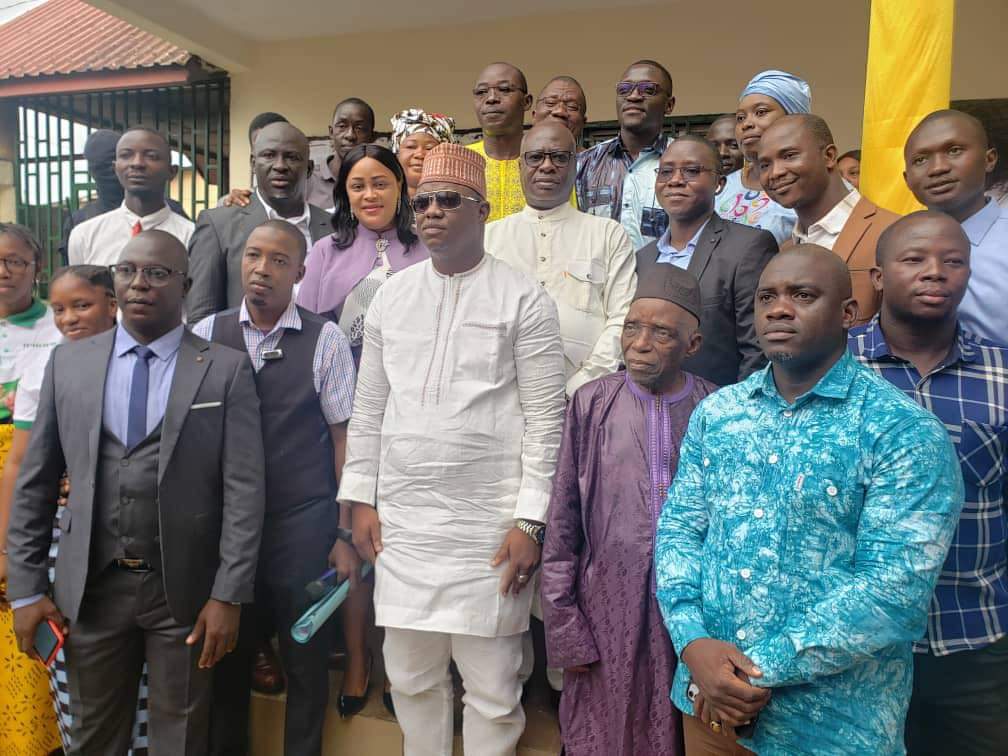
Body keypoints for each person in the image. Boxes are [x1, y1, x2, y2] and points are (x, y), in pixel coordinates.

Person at [655, 245, 964, 755]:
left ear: (848, 313)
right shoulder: (719, 414)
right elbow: (680, 530)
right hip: (708, 706)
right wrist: (693, 643)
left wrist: (754, 670)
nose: (779, 309)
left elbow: (894, 591)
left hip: (831, 725)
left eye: (802, 295)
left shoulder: (901, 431)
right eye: (766, 297)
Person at [340, 143, 566, 756]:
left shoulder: (525, 298)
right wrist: (361, 497)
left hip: (487, 528)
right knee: (411, 677)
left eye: (449, 200)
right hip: (406, 526)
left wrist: (530, 519)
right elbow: (369, 407)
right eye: (423, 202)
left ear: (483, 210)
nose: (432, 212)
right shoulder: (391, 296)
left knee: (492, 686)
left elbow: (548, 419)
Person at [6, 230, 266, 754]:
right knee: (94, 735)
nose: (139, 284)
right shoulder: (69, 364)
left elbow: (245, 490)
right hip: (92, 590)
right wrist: (28, 588)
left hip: (185, 593)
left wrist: (228, 594)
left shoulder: (224, 368)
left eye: (157, 273)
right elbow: (35, 483)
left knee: (181, 737)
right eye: (127, 271)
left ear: (187, 286)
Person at [848, 211, 1008, 755]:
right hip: (854, 652)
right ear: (878, 277)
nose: (935, 272)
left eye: (953, 261)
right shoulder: (829, 370)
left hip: (973, 645)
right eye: (914, 259)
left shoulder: (1002, 376)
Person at [194, 220, 356, 755]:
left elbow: (343, 439)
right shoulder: (205, 336)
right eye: (253, 256)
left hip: (304, 529)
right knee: (227, 658)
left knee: (306, 659)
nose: (262, 269)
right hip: (227, 531)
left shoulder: (324, 338)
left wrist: (343, 529)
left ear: (301, 273)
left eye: (279, 260)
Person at [542, 266, 717, 756]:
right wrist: (563, 623)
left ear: (693, 344)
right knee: (603, 730)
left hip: (690, 613)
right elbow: (563, 520)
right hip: (603, 608)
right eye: (632, 328)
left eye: (662, 333)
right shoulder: (591, 402)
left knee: (679, 729)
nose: (640, 344)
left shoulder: (717, 408)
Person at [1, 265, 151, 753]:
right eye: (60, 309)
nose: (68, 319)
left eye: (81, 306)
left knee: (147, 700)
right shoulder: (50, 368)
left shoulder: (154, 363)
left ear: (114, 304)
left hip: (143, 553)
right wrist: (18, 568)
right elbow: (29, 469)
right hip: (67, 550)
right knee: (77, 687)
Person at [485, 121, 636, 396]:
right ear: (521, 166)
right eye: (535, 157)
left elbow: (622, 317)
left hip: (589, 397)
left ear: (575, 165)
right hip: (502, 395)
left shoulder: (607, 234)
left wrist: (581, 387)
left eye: (559, 157)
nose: (546, 166)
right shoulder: (489, 238)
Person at [637, 136, 777, 386]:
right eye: (666, 171)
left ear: (719, 183)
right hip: (648, 413)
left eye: (691, 171)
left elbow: (758, 350)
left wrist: (736, 416)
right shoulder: (644, 258)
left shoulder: (748, 247)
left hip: (719, 411)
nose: (676, 180)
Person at [0, 224, 62, 756]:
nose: (4, 270)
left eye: (15, 261)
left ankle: (31, 740)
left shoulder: (59, 327)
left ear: (35, 267)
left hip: (27, 478)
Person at [757, 114, 899, 326]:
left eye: (789, 155)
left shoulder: (893, 233)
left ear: (830, 156)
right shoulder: (784, 250)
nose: (775, 172)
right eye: (765, 165)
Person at [187, 121, 333, 322]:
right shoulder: (218, 226)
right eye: (269, 155)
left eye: (291, 157)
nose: (280, 166)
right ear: (253, 164)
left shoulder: (336, 227)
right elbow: (202, 318)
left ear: (308, 169)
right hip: (240, 352)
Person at [298, 144, 430, 362]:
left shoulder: (429, 248)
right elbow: (306, 332)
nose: (370, 195)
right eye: (358, 187)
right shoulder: (325, 251)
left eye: (380, 184)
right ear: (346, 194)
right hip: (342, 385)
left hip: (414, 381)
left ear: (399, 186)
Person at [903, 109, 1006, 344]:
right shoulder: (894, 243)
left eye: (954, 151)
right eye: (921, 160)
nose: (938, 168)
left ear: (989, 159)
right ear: (907, 179)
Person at [576, 59, 676, 249]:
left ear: (669, 105)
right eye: (624, 89)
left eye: (648, 89)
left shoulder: (684, 163)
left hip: (662, 277)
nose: (634, 96)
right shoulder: (585, 163)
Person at [67, 127, 194, 267]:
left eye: (151, 156)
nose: (137, 163)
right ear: (115, 168)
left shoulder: (192, 237)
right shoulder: (84, 236)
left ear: (172, 171)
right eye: (126, 155)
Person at [716, 69, 811, 244]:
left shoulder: (810, 185)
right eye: (740, 118)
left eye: (760, 112)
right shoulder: (721, 187)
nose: (747, 124)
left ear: (793, 118)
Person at [467, 62, 534, 222]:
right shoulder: (461, 161)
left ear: (526, 102)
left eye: (504, 90)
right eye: (481, 92)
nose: (491, 99)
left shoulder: (547, 161)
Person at [307, 98, 377, 210]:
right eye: (342, 126)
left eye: (359, 128)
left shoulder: (381, 180)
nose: (350, 135)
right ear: (331, 132)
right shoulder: (308, 180)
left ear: (372, 137)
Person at [217, 112, 290, 209]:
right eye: (267, 154)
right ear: (253, 161)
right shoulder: (233, 203)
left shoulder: (314, 204)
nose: (279, 165)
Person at [390, 108, 456, 199]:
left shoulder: (457, 202)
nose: (420, 154)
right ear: (396, 153)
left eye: (429, 148)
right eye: (411, 147)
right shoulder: (383, 202)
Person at [532, 75, 588, 148]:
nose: (560, 111)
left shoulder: (594, 159)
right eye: (550, 102)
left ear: (583, 123)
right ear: (534, 115)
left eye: (572, 106)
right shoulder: (518, 158)